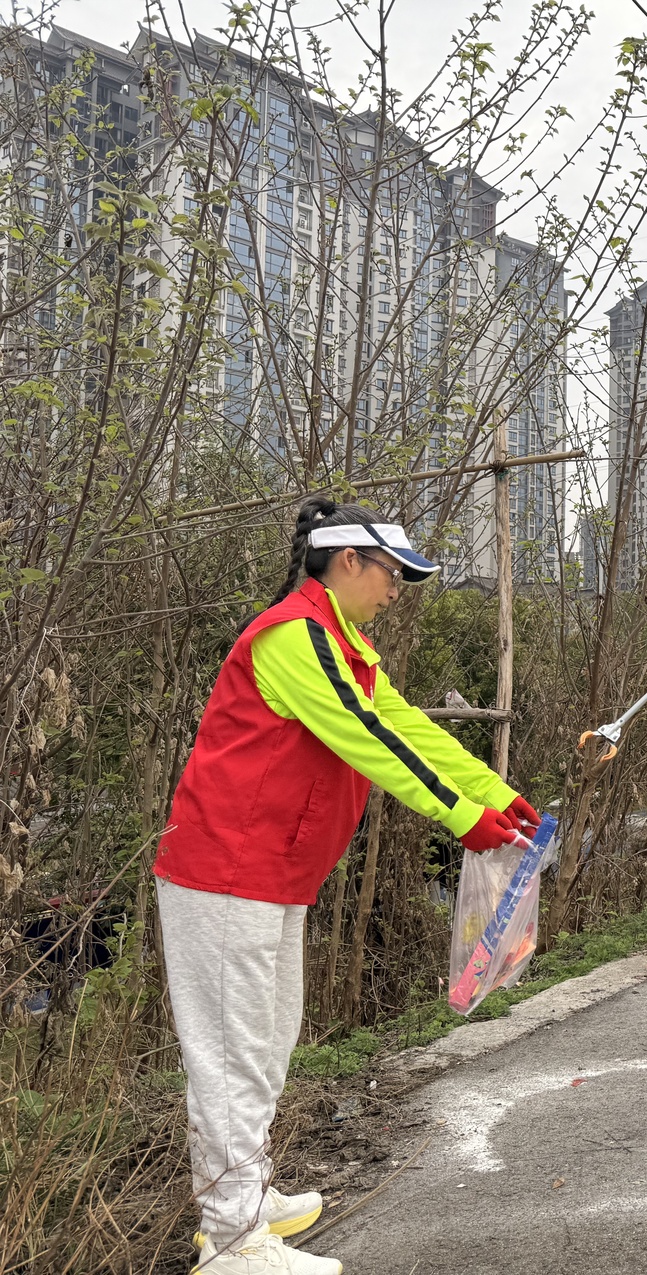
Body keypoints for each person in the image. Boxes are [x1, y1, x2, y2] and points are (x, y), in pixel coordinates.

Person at [154, 499, 538, 1275]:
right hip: (225, 870)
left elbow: (411, 729)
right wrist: (462, 815)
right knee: (231, 1052)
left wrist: (494, 794)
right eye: (393, 573)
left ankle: (246, 1195)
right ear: (348, 561)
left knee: (267, 1041)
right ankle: (230, 1239)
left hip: (273, 874)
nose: (398, 589)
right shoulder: (294, 637)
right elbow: (371, 740)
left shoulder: (343, 646)